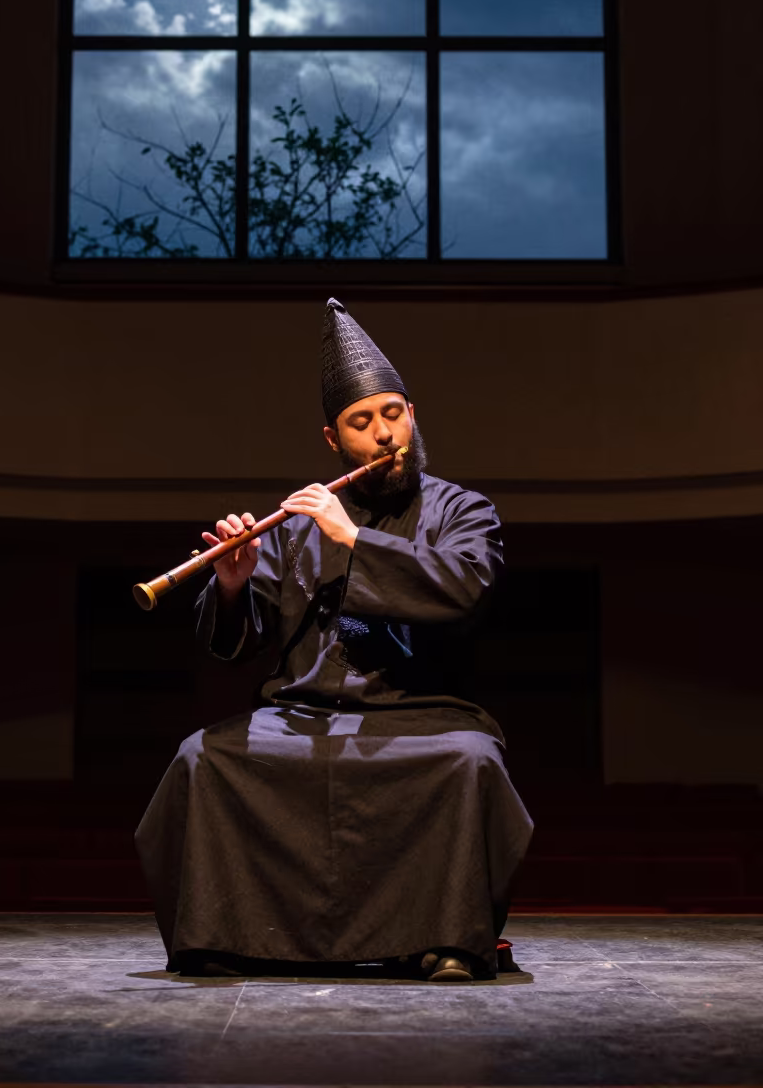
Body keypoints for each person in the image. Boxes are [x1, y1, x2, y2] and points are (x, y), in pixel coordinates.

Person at [135, 298, 533, 982]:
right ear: (332, 440)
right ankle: (220, 934)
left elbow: (466, 587)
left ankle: (447, 939)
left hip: (425, 718)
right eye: (361, 422)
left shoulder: (463, 511)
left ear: (413, 415)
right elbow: (235, 644)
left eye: (394, 414)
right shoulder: (293, 528)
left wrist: (354, 540)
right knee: (203, 758)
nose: (383, 434)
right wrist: (232, 582)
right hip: (303, 717)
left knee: (470, 764)